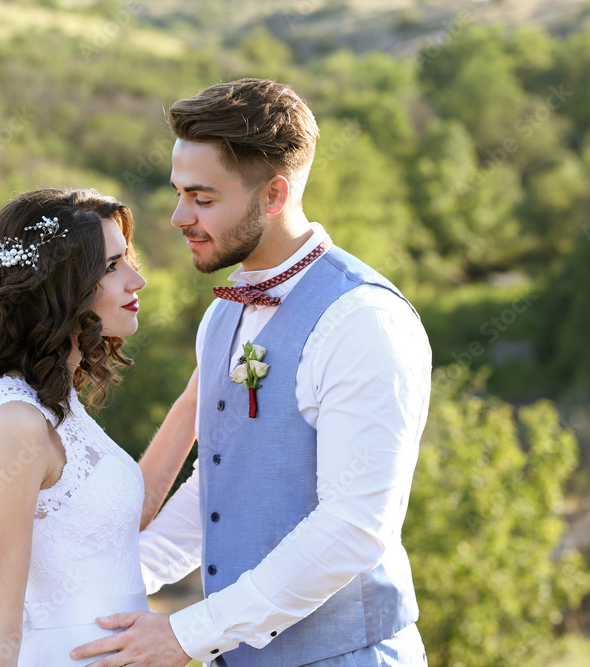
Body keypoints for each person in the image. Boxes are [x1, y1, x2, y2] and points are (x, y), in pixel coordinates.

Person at [72, 79, 431, 666]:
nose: (177, 216)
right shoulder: (221, 315)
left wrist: (190, 633)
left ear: (273, 195)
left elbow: (354, 528)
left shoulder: (363, 321)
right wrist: (117, 581)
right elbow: (223, 490)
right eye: (178, 193)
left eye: (202, 199)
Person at [0, 188, 198, 667]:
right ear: (62, 286)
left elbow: (123, 524)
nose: (136, 280)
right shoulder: (18, 419)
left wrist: (196, 400)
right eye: (112, 267)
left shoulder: (59, 405)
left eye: (128, 260)